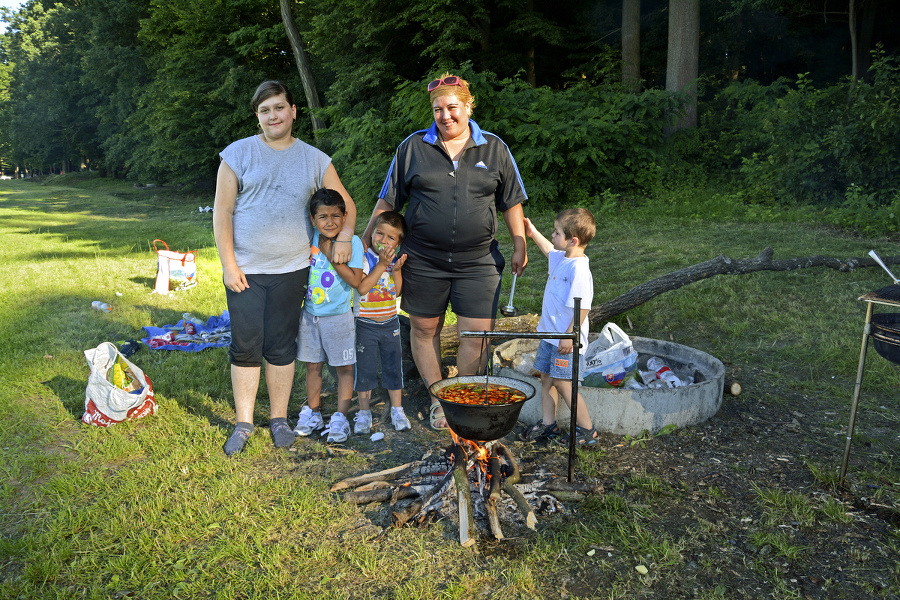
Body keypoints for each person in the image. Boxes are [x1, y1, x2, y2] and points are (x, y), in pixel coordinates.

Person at [362, 72, 528, 430]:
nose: (445, 116)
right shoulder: (413, 148)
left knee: (476, 334)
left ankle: (463, 396)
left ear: (468, 106)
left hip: (479, 261)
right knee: (424, 329)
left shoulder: (494, 148)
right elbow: (388, 198)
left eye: (453, 107)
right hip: (422, 258)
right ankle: (440, 401)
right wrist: (366, 237)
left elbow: (511, 201)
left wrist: (519, 242)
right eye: (438, 110)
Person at [214, 80, 356, 456]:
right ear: (257, 117)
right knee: (245, 346)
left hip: (293, 270)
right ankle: (244, 423)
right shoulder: (237, 154)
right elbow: (222, 212)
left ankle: (279, 419)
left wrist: (343, 240)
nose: (272, 116)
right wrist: (229, 264)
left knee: (280, 346)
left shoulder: (315, 159)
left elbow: (347, 205)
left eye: (278, 107)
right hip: (245, 270)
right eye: (264, 110)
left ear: (293, 111)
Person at [522, 208, 599, 445]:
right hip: (550, 336)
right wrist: (532, 233)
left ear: (573, 240)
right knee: (547, 378)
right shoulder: (563, 258)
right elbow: (549, 249)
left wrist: (569, 336)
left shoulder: (579, 269)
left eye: (556, 232)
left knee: (564, 383)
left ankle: (587, 430)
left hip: (566, 340)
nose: (553, 236)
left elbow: (583, 307)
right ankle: (549, 425)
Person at [293, 188, 364, 443]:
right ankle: (312, 413)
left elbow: (356, 280)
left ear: (345, 217)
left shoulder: (352, 243)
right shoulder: (310, 237)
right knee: (313, 366)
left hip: (339, 317)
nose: (330, 222)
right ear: (313, 220)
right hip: (310, 315)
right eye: (323, 217)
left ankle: (340, 417)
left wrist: (330, 255)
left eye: (336, 215)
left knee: (344, 368)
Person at [352, 211, 412, 434]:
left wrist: (396, 271)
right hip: (366, 325)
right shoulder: (365, 257)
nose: (383, 241)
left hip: (390, 323)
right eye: (380, 234)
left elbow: (395, 293)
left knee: (393, 367)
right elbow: (362, 287)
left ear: (398, 242)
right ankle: (364, 412)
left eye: (391, 238)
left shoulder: (392, 261)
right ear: (373, 233)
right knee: (365, 369)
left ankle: (397, 409)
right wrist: (381, 265)